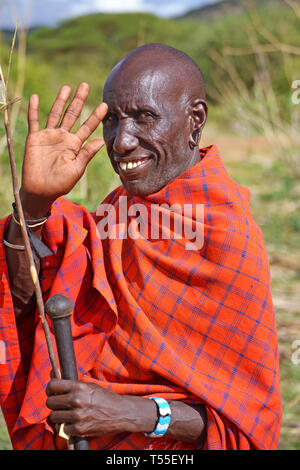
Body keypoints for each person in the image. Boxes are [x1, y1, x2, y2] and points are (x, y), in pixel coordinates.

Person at [0, 44, 281, 450]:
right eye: (111, 120)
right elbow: (28, 306)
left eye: (144, 117)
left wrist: (131, 413)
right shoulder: (114, 215)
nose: (121, 142)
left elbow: (247, 420)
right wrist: (34, 202)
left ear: (194, 120)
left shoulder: (226, 236)